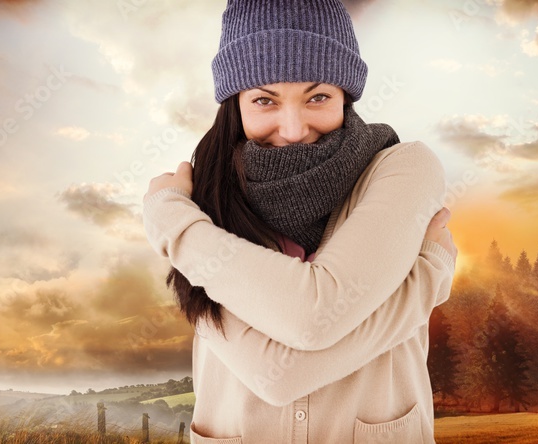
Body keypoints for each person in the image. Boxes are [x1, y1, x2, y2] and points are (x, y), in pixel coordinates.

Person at [142, 1, 457, 442]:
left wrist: (173, 226)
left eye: (318, 97)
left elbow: (312, 321)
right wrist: (425, 281)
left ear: (346, 93)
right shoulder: (210, 192)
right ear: (236, 104)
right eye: (265, 100)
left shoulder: (405, 169)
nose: (292, 129)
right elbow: (279, 376)